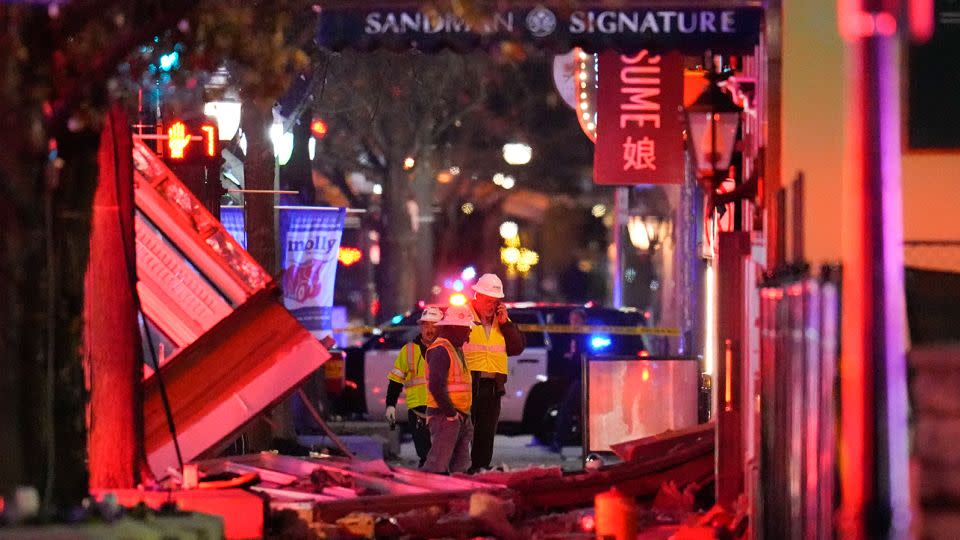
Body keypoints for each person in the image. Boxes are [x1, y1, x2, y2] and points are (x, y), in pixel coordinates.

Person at [465, 273, 525, 472]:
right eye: (488, 300)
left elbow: (517, 347)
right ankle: (463, 471)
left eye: (495, 301)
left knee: (486, 433)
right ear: (477, 296)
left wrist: (506, 323)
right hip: (468, 385)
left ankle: (481, 471)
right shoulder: (464, 316)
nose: (491, 305)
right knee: (464, 433)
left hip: (492, 387)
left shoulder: (502, 322)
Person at [385, 306, 442, 467]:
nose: (429, 330)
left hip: (442, 409)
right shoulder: (408, 351)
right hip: (417, 410)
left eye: (434, 325)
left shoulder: (448, 350)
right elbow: (396, 380)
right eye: (425, 325)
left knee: (442, 454)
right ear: (420, 327)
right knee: (424, 454)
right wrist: (390, 405)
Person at [422, 305, 476, 474]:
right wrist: (451, 414)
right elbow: (436, 386)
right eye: (467, 328)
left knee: (460, 466)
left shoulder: (454, 349)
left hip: (458, 415)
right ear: (454, 327)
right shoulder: (441, 350)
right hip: (445, 416)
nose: (469, 334)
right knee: (438, 465)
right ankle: (427, 496)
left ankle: (455, 496)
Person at [551, 309, 588, 454]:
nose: (572, 323)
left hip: (581, 378)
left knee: (567, 409)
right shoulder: (571, 335)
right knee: (568, 409)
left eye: (575, 320)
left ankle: (559, 441)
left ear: (582, 321)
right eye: (571, 320)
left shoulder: (585, 336)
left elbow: (583, 356)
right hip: (572, 377)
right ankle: (561, 440)